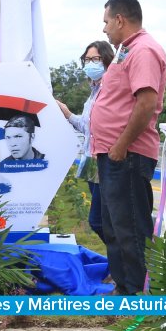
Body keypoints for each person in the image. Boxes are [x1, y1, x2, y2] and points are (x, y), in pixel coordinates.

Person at [90, 0, 166, 295]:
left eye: (106, 21)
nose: (105, 28)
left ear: (120, 19)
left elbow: (146, 103)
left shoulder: (144, 51)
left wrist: (121, 144)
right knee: (113, 225)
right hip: (114, 154)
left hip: (127, 154)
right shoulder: (128, 50)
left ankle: (139, 291)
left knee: (131, 226)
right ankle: (124, 285)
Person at [56, 40, 115, 244]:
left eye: (95, 59)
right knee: (102, 220)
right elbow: (88, 126)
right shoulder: (94, 90)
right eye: (87, 59)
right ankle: (117, 266)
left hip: (104, 159)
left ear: (107, 60)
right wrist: (68, 114)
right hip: (91, 160)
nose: (90, 63)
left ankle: (123, 266)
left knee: (100, 221)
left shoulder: (111, 89)